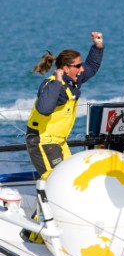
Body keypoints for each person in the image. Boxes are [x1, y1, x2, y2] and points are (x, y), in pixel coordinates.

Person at [26, 31, 104, 180]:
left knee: (72, 178)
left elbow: (92, 66)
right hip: (42, 141)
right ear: (66, 69)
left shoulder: (73, 80)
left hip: (58, 141)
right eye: (78, 66)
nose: (82, 69)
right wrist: (57, 81)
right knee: (56, 179)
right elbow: (43, 108)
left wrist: (98, 46)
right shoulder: (52, 85)